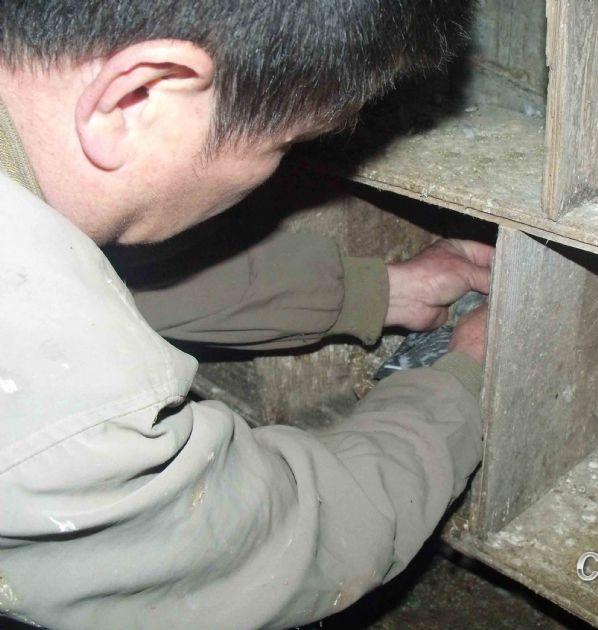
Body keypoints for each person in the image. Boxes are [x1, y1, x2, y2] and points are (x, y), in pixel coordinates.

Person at [0, 2, 492, 628]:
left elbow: (92, 283)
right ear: (139, 95)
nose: (277, 167)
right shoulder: (72, 423)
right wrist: (460, 378)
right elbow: (271, 546)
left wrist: (379, 291)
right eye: (285, 143)